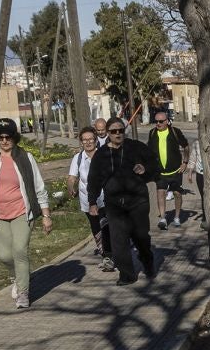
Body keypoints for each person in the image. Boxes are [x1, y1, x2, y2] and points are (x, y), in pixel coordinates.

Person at [0, 117, 53, 309]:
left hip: (23, 212)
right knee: (5, 256)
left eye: (8, 137)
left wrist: (46, 216)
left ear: (15, 138)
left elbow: (39, 188)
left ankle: (23, 293)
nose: (5, 141)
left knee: (20, 250)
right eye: (0, 137)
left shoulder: (25, 158)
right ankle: (19, 277)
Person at [85, 116, 158, 284]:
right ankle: (127, 274)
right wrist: (92, 202)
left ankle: (147, 260)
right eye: (113, 131)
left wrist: (145, 169)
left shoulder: (135, 147)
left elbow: (154, 162)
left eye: (121, 131)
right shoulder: (101, 155)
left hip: (138, 200)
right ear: (108, 134)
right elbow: (94, 179)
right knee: (119, 240)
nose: (118, 134)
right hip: (114, 204)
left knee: (140, 236)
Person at [68, 127, 115, 274]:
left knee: (106, 225)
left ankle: (109, 256)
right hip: (87, 200)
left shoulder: (104, 155)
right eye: (85, 140)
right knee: (96, 228)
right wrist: (71, 187)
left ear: (96, 140)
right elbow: (72, 177)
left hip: (105, 197)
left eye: (91, 139)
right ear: (81, 142)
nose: (88, 142)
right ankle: (105, 253)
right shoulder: (78, 158)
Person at [148, 108, 190, 228]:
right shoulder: (152, 133)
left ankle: (176, 216)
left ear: (167, 121)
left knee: (177, 194)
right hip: (160, 172)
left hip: (176, 171)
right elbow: (148, 152)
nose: (158, 124)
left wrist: (185, 162)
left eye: (161, 121)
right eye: (156, 121)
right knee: (160, 193)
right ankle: (163, 218)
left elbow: (186, 146)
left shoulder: (175, 132)